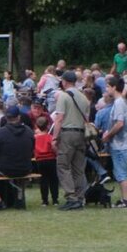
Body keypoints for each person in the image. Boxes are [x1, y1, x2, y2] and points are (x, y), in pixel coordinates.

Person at [53, 70, 90, 211]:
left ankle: (71, 197)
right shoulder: (83, 97)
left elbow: (59, 118)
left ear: (64, 82)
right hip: (81, 134)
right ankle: (80, 198)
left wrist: (55, 137)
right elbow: (87, 119)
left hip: (68, 133)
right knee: (78, 168)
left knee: (63, 166)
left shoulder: (63, 96)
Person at [102, 76, 127, 207]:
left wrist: (108, 135)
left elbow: (120, 123)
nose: (106, 89)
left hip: (121, 144)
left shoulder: (119, 102)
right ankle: (124, 199)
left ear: (114, 87)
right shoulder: (121, 101)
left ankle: (125, 200)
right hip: (122, 143)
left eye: (108, 86)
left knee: (121, 172)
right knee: (120, 171)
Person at [34, 116, 59, 206]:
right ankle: (55, 199)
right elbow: (53, 147)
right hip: (51, 159)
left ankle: (44, 200)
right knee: (53, 180)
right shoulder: (50, 137)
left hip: (40, 160)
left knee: (43, 180)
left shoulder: (35, 138)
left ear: (37, 126)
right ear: (48, 125)